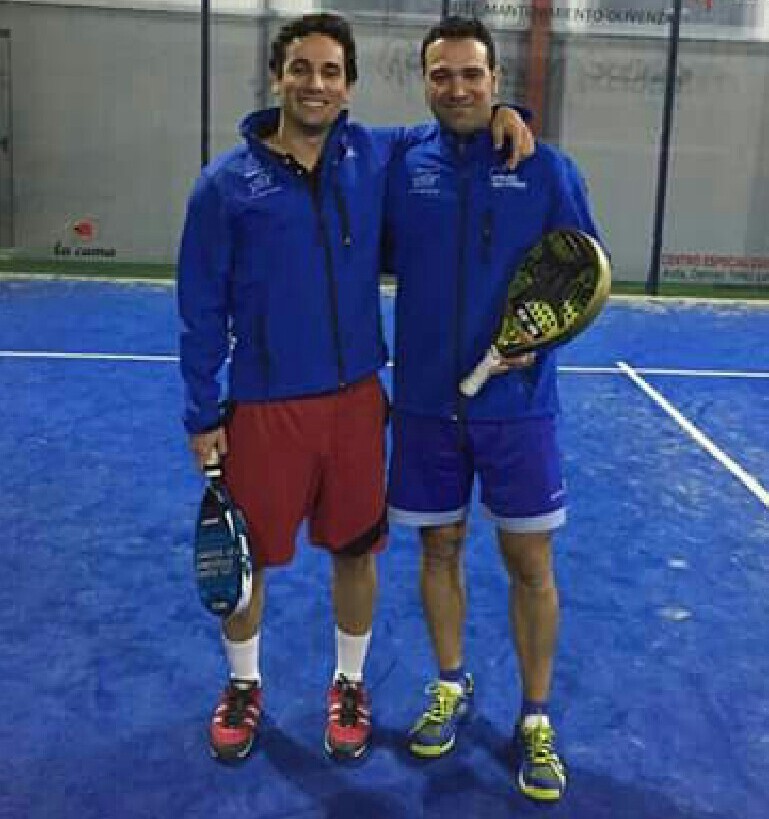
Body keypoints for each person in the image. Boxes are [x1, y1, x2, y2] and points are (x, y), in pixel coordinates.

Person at [177, 12, 533, 764]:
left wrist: (507, 111)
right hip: (265, 406)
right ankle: (243, 685)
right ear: (277, 77)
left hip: (357, 404)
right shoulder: (223, 187)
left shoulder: (374, 153)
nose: (315, 83)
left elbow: (454, 119)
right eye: (301, 68)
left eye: (331, 71)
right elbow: (200, 308)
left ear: (349, 86)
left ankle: (349, 683)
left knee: (355, 550)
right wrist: (202, 412)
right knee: (249, 560)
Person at [384, 16, 604, 801]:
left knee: (529, 563)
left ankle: (534, 716)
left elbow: (584, 272)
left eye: (471, 74)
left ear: (495, 78)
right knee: (438, 547)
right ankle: (450, 680)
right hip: (424, 404)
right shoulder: (400, 163)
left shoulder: (545, 169)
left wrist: (538, 346)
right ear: (424, 81)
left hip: (517, 408)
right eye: (441, 74)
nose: (457, 88)